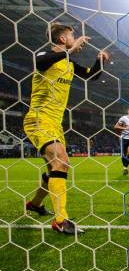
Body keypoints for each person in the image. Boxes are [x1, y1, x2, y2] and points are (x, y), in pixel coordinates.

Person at [24, 24, 109, 234]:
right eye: (72, 35)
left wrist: (99, 61)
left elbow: (90, 75)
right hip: (39, 119)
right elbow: (40, 61)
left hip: (55, 123)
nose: (76, 38)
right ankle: (61, 220)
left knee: (54, 168)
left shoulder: (69, 62)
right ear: (62, 39)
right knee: (61, 161)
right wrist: (69, 52)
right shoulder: (46, 56)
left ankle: (34, 204)